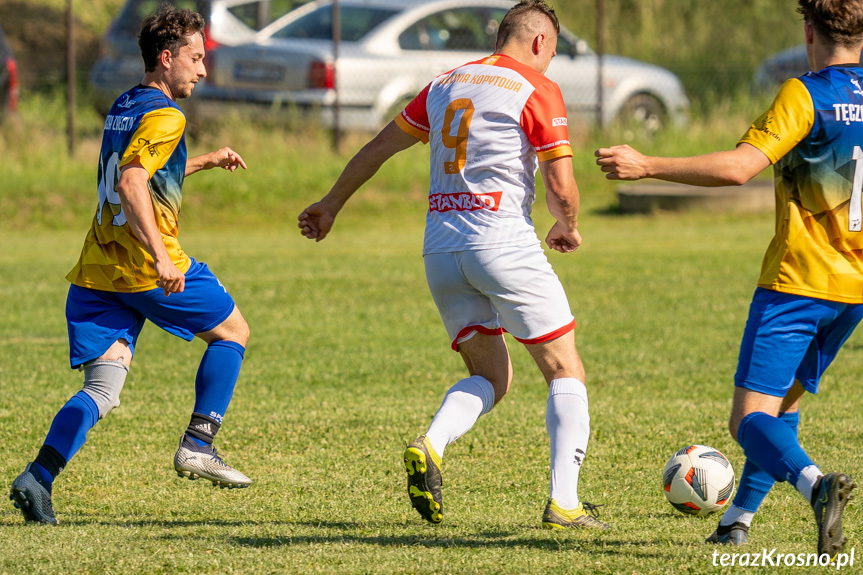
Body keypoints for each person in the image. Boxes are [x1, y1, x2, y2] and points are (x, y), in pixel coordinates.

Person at [298, 0, 607, 529]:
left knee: (492, 376)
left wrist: (331, 204)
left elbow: (378, 148)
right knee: (564, 368)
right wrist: (569, 224)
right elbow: (560, 185)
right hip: (503, 242)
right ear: (539, 43)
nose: (551, 62)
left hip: (441, 249)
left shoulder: (444, 83)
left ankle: (432, 443)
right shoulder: (536, 86)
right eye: (552, 51)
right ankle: (565, 502)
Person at [596, 0, 861, 558]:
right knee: (781, 410)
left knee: (747, 420)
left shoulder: (805, 92)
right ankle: (735, 521)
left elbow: (741, 167)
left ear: (808, 30)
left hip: (798, 283)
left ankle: (816, 487)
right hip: (854, 293)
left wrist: (648, 165)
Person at [9, 5, 252, 525]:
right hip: (145, 267)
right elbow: (132, 182)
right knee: (233, 331)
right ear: (167, 59)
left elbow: (139, 168)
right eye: (195, 58)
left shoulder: (125, 104)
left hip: (98, 269)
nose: (203, 69)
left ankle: (38, 477)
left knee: (102, 391)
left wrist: (205, 160)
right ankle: (198, 444)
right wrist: (163, 259)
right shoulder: (168, 115)